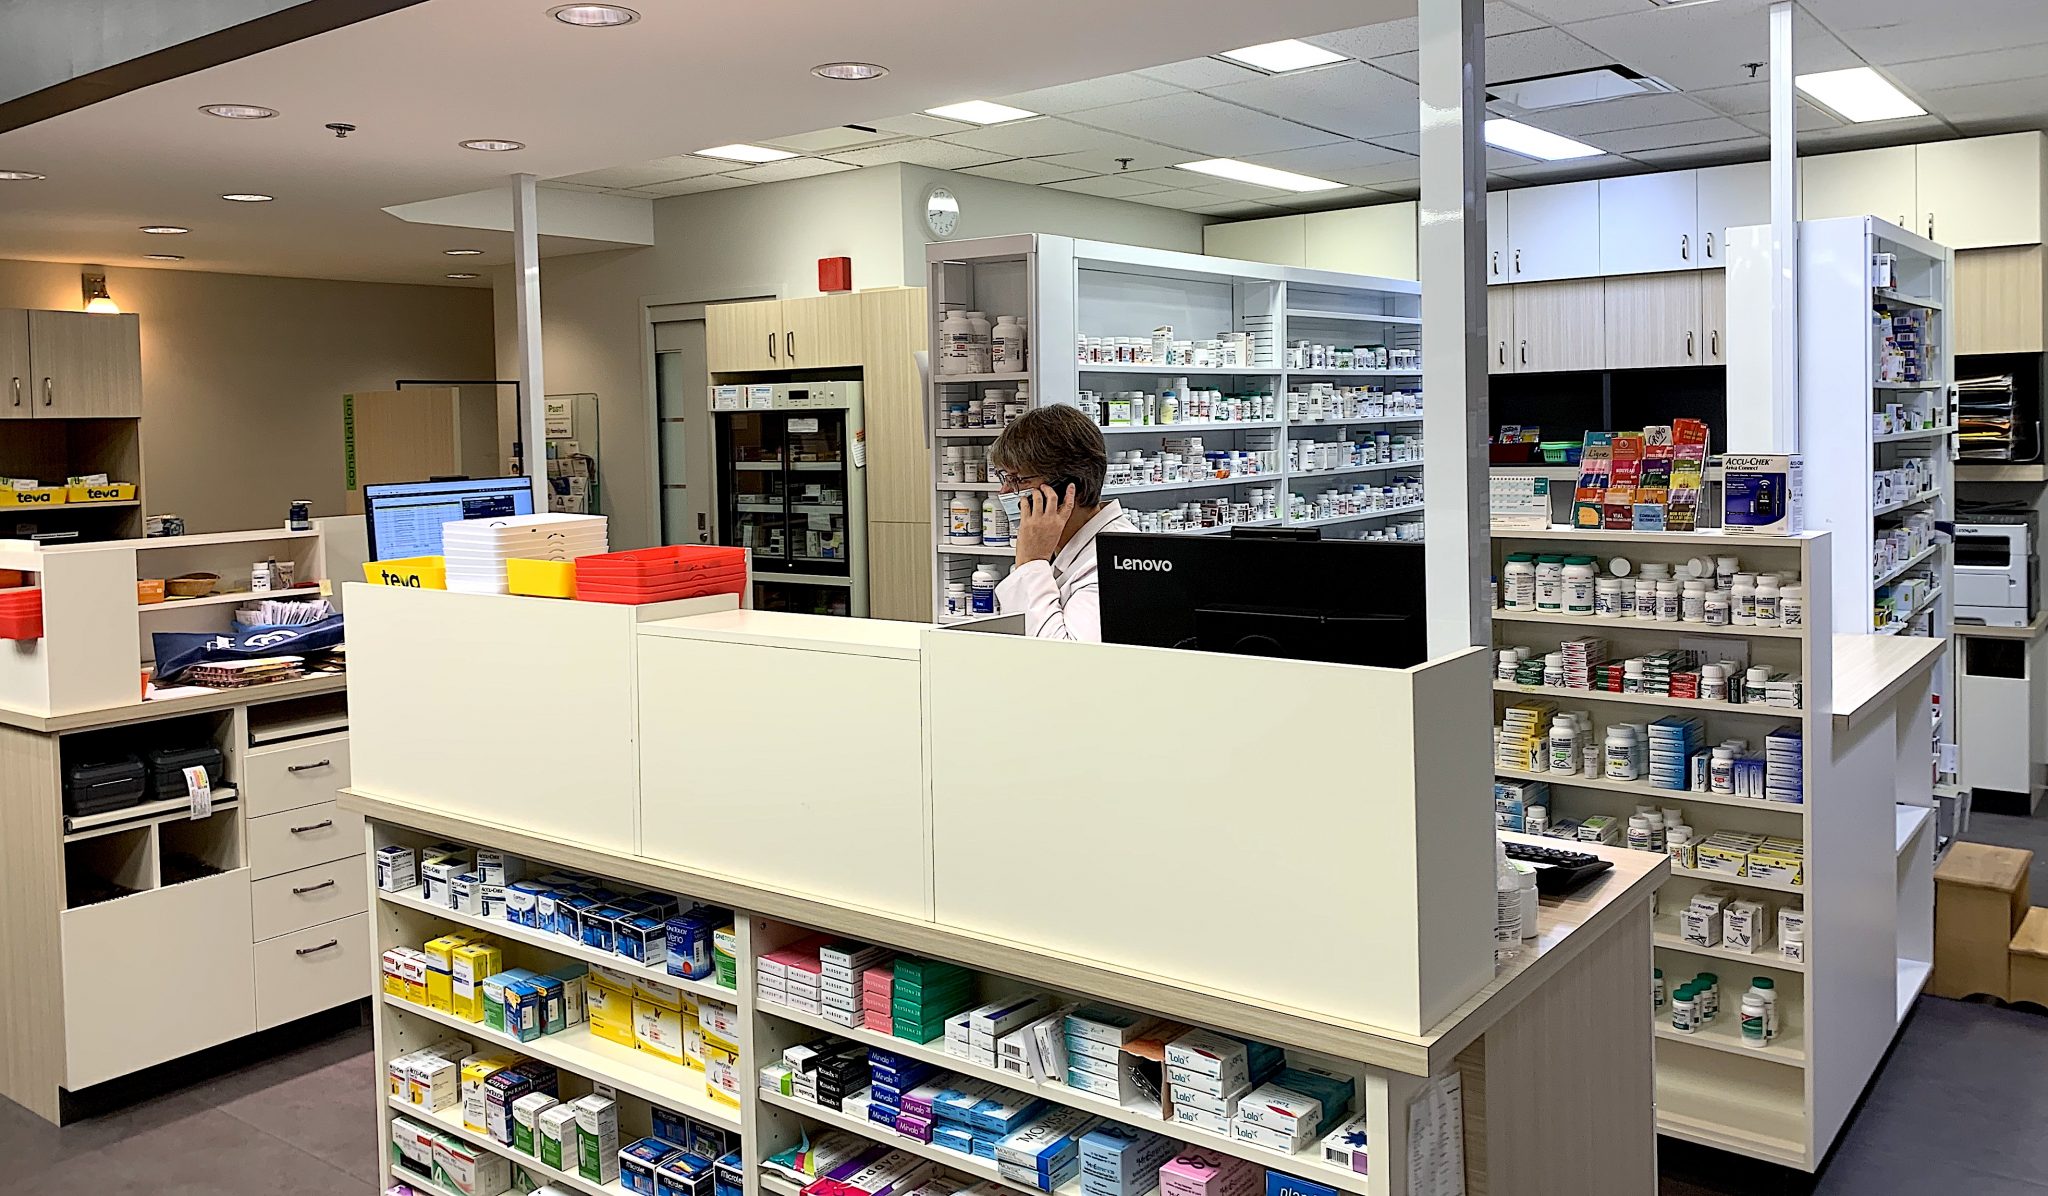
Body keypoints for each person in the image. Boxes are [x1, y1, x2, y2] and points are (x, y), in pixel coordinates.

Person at [987, 404, 1135, 642]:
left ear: (1070, 488)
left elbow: (1059, 656)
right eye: (1004, 478)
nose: (1004, 491)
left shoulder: (1116, 561)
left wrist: (1032, 562)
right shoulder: (1061, 548)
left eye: (1018, 480)